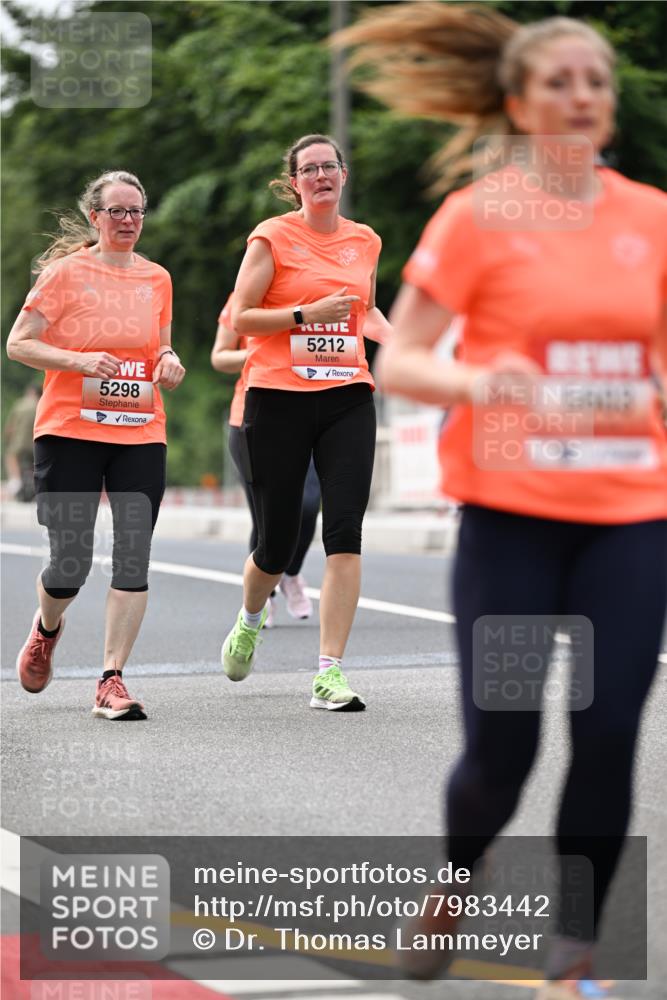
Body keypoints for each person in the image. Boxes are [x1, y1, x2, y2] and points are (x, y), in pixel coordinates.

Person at [338, 4, 667, 997]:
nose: (578, 96)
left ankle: (572, 955)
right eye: (557, 81)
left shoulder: (651, 220)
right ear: (519, 103)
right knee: (503, 742)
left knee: (609, 730)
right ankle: (455, 878)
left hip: (629, 514)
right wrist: (483, 384)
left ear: (609, 106)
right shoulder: (479, 216)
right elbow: (398, 360)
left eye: (594, 82)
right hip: (510, 516)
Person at [219, 133, 392, 711]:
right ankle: (248, 620)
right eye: (309, 169)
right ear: (294, 183)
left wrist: (409, 345)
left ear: (344, 176)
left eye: (329, 166)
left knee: (345, 530)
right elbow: (241, 314)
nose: (321, 175)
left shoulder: (365, 241)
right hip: (278, 398)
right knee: (277, 542)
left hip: (347, 395)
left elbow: (365, 314)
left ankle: (329, 673)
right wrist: (303, 314)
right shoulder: (272, 236)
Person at [7, 169, 185, 720]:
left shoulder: (157, 278)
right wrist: (78, 360)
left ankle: (111, 680)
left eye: (136, 211)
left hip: (139, 431)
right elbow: (18, 343)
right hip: (69, 429)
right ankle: (46, 628)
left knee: (133, 555)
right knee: (71, 565)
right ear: (95, 217)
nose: (128, 221)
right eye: (117, 212)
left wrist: (169, 362)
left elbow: (160, 348)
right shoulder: (64, 274)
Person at [211, 293, 320, 626]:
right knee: (267, 516)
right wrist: (262, 352)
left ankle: (290, 573)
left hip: (312, 412)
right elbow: (220, 357)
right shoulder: (246, 294)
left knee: (308, 503)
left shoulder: (319, 288)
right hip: (253, 417)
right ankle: (263, 597)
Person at [3, 383, 40, 500]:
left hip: (19, 445)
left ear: (29, 392)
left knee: (10, 456)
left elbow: (9, 429)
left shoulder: (20, 404)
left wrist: (7, 440)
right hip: (36, 444)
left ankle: (15, 482)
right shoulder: (40, 405)